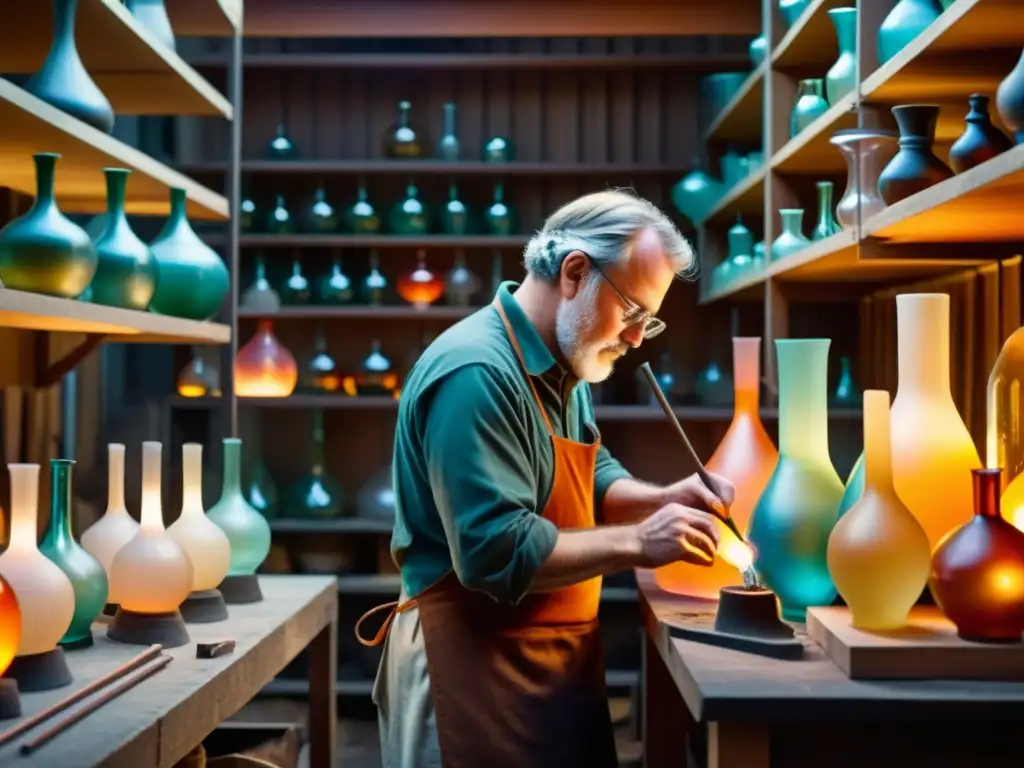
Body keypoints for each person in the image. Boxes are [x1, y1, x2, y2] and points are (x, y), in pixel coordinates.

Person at [356, 189, 735, 768]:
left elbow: (590, 468)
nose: (635, 339)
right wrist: (640, 542)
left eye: (647, 322)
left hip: (547, 662)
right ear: (575, 272)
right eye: (633, 312)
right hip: (468, 671)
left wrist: (658, 499)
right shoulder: (477, 373)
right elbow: (494, 551)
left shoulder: (563, 359)